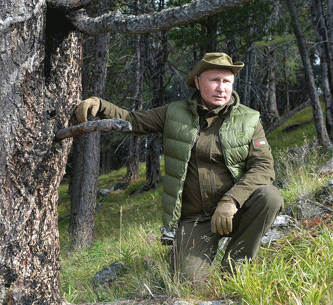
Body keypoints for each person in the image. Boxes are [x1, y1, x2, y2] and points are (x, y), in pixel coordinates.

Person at [73, 52, 283, 281]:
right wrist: (100, 105)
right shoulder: (175, 113)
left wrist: (232, 199)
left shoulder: (249, 119)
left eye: (227, 81)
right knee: (187, 283)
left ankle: (235, 269)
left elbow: (263, 167)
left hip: (236, 211)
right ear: (198, 81)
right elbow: (134, 120)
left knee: (269, 196)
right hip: (195, 218)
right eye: (214, 80)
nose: (222, 88)